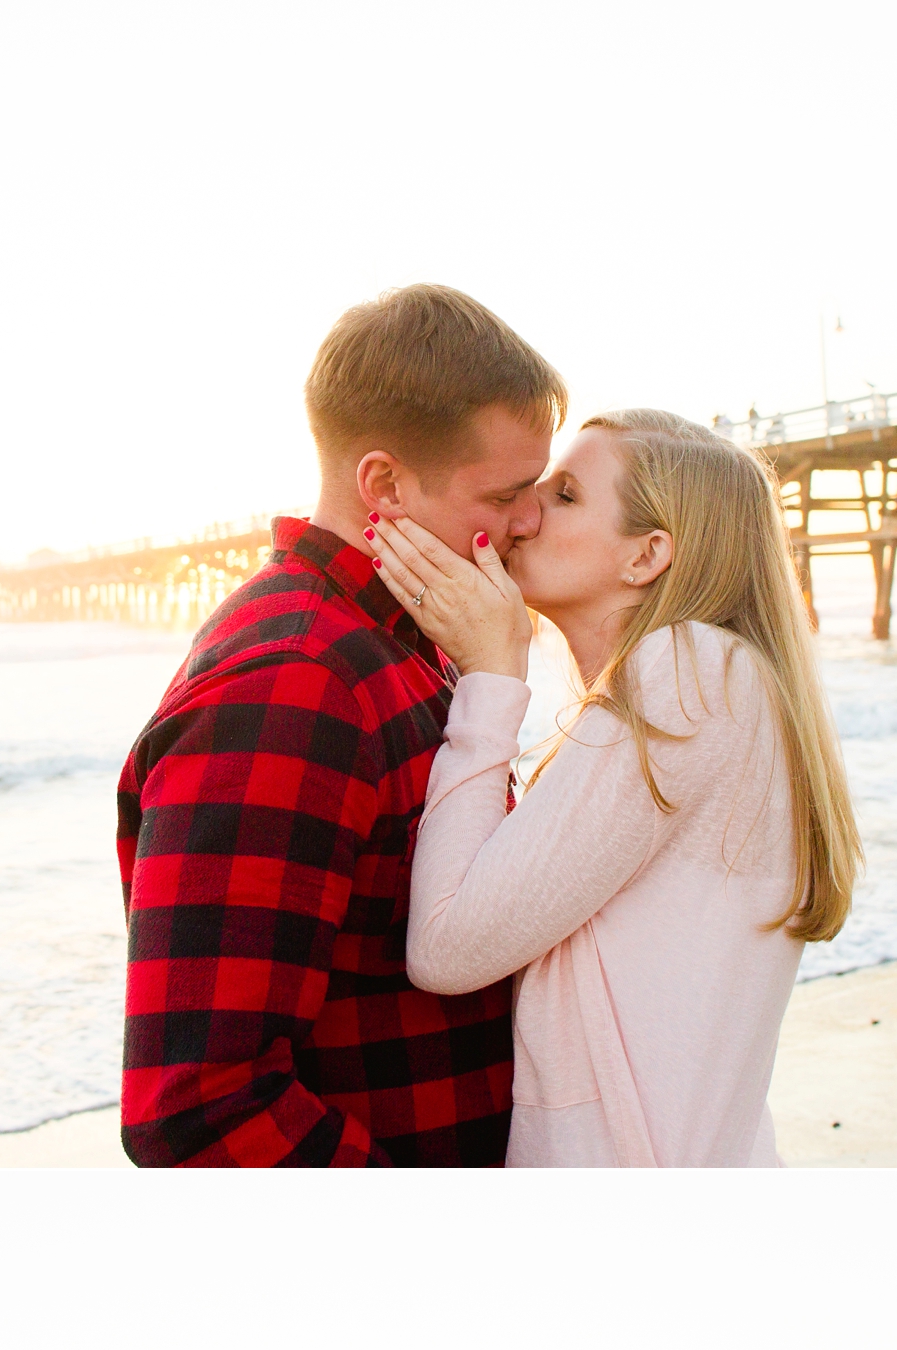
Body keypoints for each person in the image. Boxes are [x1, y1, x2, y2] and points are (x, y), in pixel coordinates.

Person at [115, 284, 565, 1164]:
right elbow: (198, 1106)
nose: (531, 520)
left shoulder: (408, 641)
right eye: (507, 493)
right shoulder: (294, 682)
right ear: (384, 484)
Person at [369, 408, 863, 1166]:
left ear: (647, 555)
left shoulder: (687, 673)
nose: (526, 514)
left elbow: (445, 945)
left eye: (564, 494)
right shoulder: (720, 685)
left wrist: (493, 678)